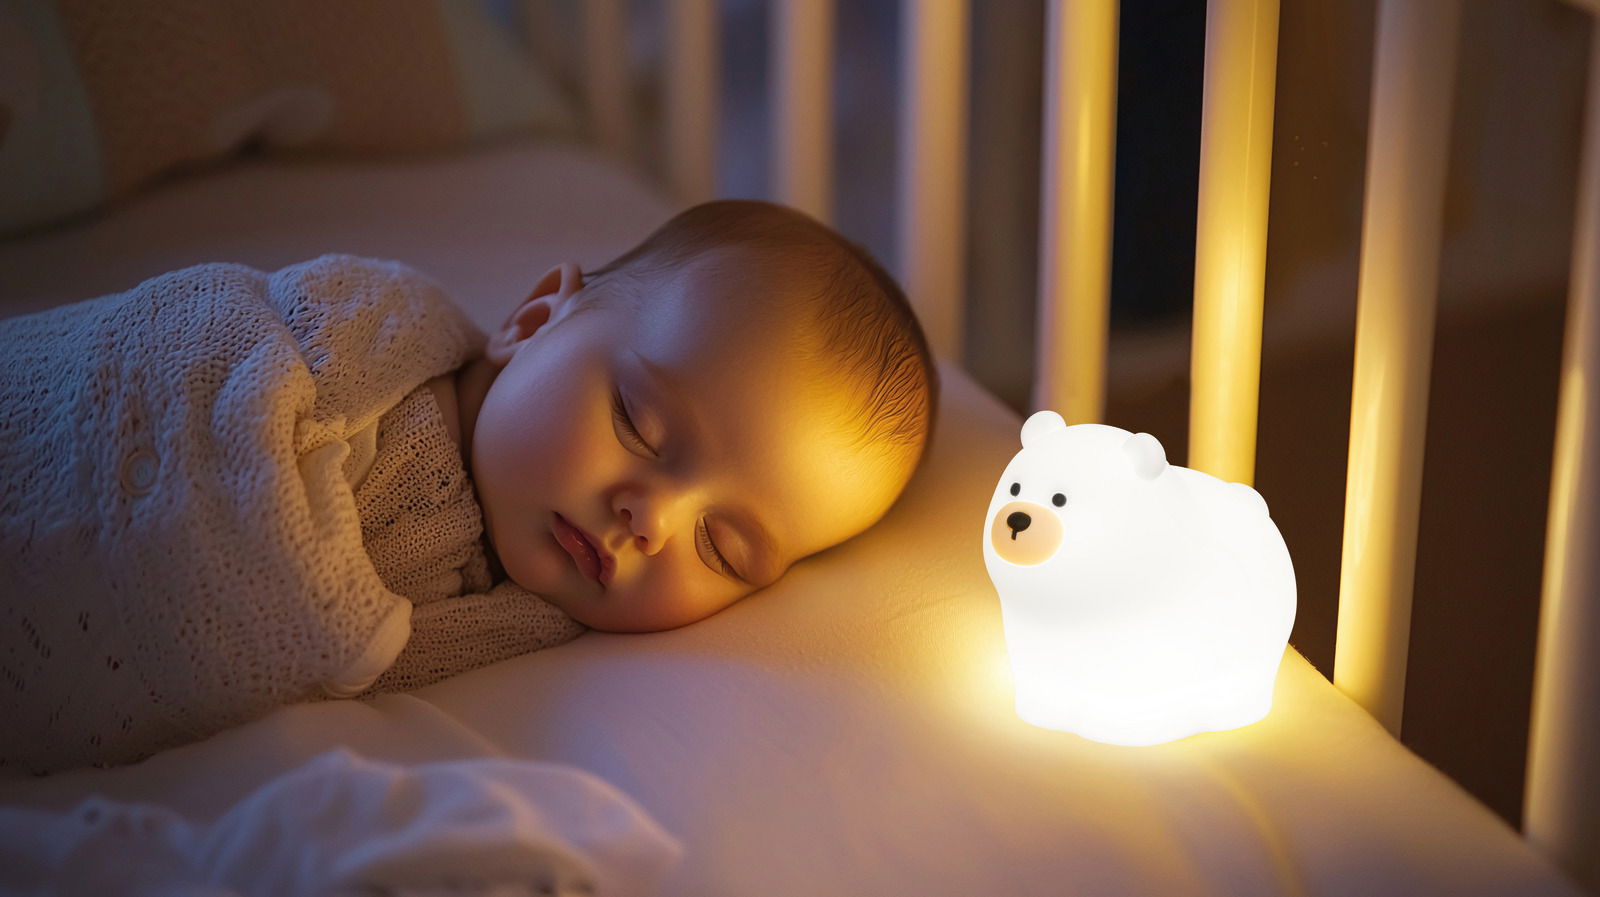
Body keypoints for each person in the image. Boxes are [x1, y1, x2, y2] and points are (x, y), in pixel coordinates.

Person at [0, 200, 938, 772]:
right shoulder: (362, 334)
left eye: (721, 547)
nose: (650, 518)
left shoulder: (520, 628)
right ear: (534, 318)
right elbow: (205, 351)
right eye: (639, 425)